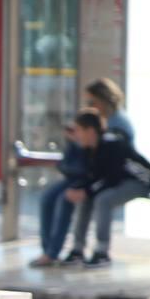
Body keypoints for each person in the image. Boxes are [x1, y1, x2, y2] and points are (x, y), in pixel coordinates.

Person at [63, 107, 150, 267]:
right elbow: (93, 177)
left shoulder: (112, 145)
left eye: (78, 130)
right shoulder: (89, 149)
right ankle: (77, 249)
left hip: (139, 182)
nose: (76, 135)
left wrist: (86, 191)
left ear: (90, 131)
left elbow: (111, 178)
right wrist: (81, 190)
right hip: (117, 181)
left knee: (102, 200)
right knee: (86, 199)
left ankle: (102, 251)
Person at [30, 111, 94, 268]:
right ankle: (47, 251)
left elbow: (91, 169)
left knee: (63, 200)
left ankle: (52, 253)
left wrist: (79, 145)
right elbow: (66, 166)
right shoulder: (76, 141)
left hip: (88, 179)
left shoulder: (97, 139)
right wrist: (74, 143)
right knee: (47, 198)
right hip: (74, 177)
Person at [85, 77, 134, 143]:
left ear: (103, 100)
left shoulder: (118, 124)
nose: (89, 107)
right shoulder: (110, 120)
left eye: (92, 103)